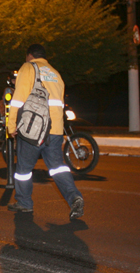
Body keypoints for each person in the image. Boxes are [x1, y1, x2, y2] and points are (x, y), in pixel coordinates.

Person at [6, 44, 84, 220]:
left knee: (23, 169)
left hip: (33, 130)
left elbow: (18, 100)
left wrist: (11, 126)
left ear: (30, 56)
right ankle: (74, 197)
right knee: (57, 168)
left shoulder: (28, 67)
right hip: (55, 130)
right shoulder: (56, 74)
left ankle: (24, 203)